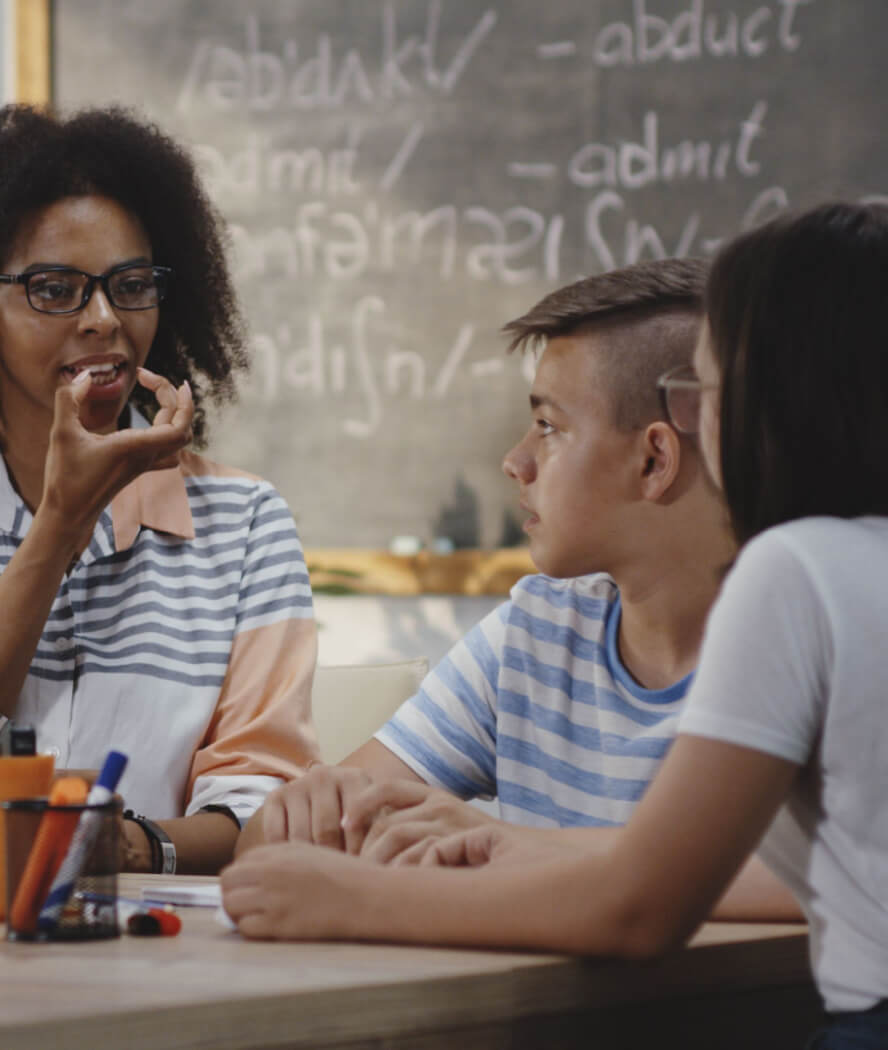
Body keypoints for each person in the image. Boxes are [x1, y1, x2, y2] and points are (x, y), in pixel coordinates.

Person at [222, 200, 888, 1045]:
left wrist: (352, 899)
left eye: (708, 390)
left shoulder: (793, 576)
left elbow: (644, 906)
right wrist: (494, 840)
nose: (696, 416)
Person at [0, 105, 319, 874]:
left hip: (146, 949)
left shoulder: (246, 523)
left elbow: (261, 808)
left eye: (130, 285)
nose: (102, 319)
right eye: (55, 289)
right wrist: (59, 526)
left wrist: (135, 845)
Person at [235, 257, 798, 919]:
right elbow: (264, 846)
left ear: (653, 460)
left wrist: (506, 844)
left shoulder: (802, 642)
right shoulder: (533, 635)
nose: (515, 460)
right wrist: (300, 815)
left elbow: (815, 877)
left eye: (550, 427)